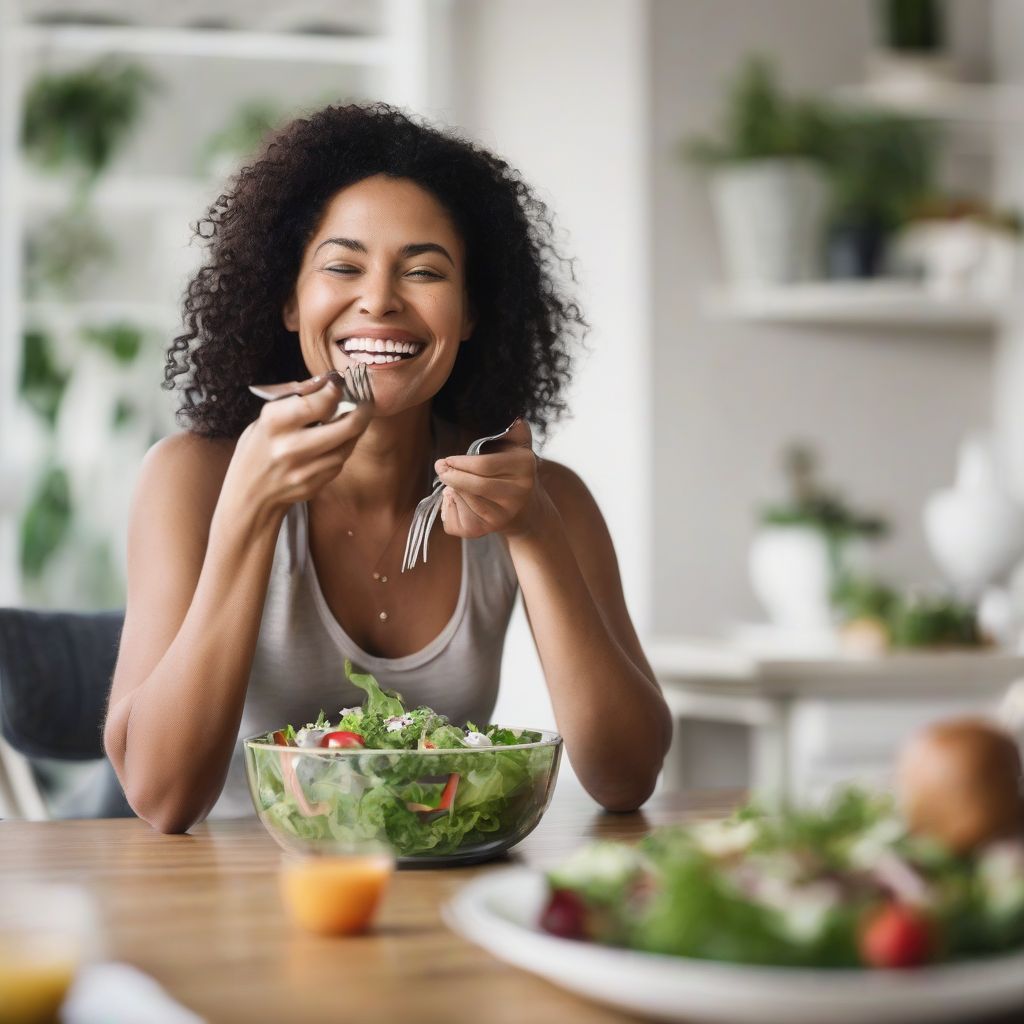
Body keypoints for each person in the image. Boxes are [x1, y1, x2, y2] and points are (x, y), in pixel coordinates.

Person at [103, 102, 672, 832]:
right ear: (288, 300)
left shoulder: (539, 494)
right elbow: (162, 796)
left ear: (470, 314)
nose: (378, 301)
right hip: (234, 902)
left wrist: (534, 534)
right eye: (342, 266)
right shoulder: (194, 479)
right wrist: (248, 515)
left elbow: (625, 778)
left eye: (424, 271)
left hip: (446, 897)